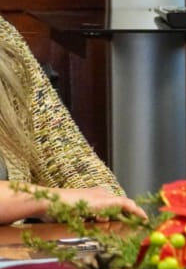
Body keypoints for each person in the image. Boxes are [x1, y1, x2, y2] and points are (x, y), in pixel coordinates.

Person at [0, 14, 147, 224]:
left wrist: (108, 204)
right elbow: (65, 198)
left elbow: (61, 148)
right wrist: (54, 199)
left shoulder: (3, 35)